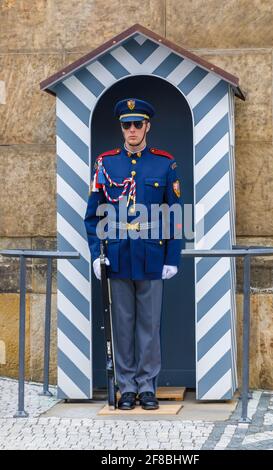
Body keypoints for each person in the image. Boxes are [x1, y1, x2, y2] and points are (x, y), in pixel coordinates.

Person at [84, 98, 182, 410]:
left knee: (149, 327)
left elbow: (175, 215)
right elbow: (92, 216)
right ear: (121, 128)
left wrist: (172, 258)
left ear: (147, 126)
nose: (132, 130)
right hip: (118, 255)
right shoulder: (106, 163)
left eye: (138, 124)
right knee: (122, 326)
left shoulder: (164, 164)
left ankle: (147, 387)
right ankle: (126, 388)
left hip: (152, 256)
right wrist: (96, 254)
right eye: (127, 125)